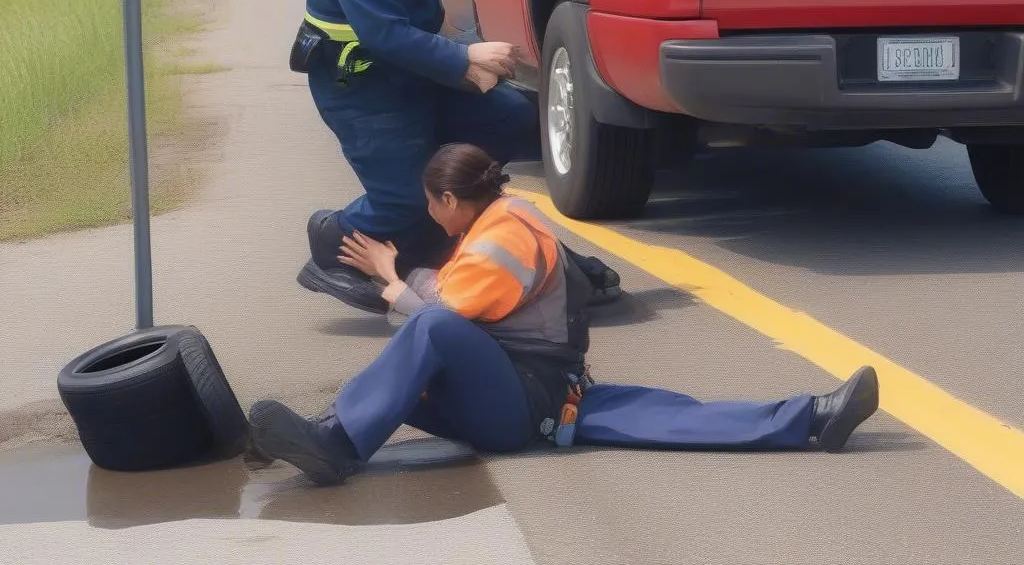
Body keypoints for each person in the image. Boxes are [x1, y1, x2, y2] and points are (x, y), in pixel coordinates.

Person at [248, 143, 881, 487]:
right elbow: (454, 288)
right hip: (537, 390)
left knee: (428, 332)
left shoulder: (503, 239)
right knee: (671, 415)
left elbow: (439, 314)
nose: (431, 219)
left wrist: (389, 279)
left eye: (431, 207)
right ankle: (816, 419)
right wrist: (397, 276)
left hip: (525, 398)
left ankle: (335, 447)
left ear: (449, 199)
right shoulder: (502, 218)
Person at [289, 0, 621, 314]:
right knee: (403, 197)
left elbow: (421, 11)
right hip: (364, 89)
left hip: (414, 71)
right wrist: (465, 60)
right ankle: (332, 239)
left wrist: (465, 59)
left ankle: (442, 233)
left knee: (508, 116)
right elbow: (383, 35)